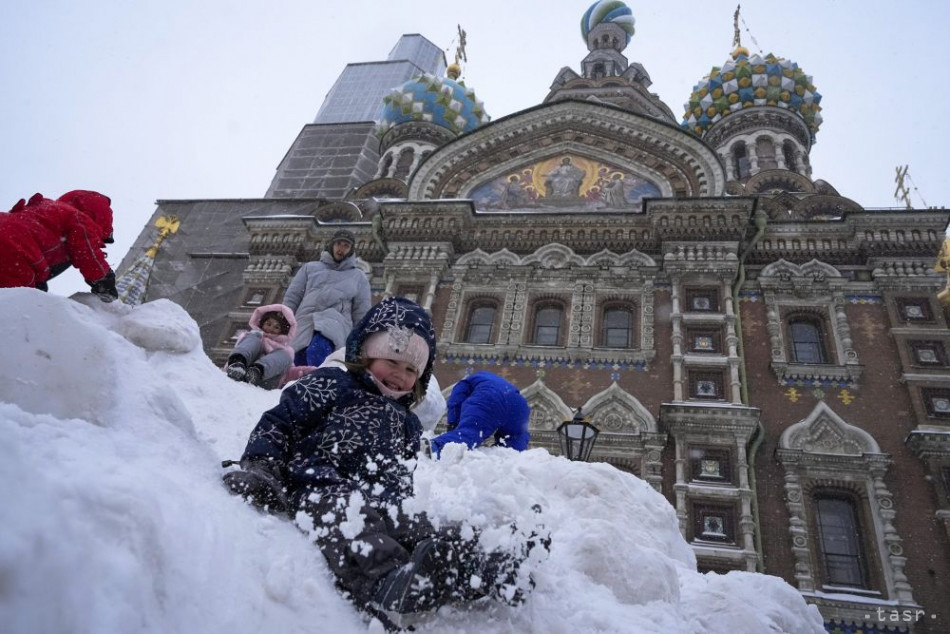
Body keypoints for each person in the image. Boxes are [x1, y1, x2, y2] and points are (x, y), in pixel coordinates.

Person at [222, 297, 544, 620]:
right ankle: (386, 580)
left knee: (423, 525)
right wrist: (262, 467)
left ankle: (481, 563)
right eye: (392, 361)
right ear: (366, 354)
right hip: (322, 485)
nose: (400, 375)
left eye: (410, 370)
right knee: (351, 518)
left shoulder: (407, 422)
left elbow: (401, 474)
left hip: (385, 502)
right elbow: (281, 421)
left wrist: (406, 514)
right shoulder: (333, 383)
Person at [0, 190, 118, 301]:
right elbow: (87, 252)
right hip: (14, 251)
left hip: (6, 232)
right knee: (18, 307)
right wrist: (104, 279)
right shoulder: (78, 219)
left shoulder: (46, 209)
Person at [282, 229, 371, 367]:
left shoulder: (358, 277)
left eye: (346, 246)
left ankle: (319, 384)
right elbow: (293, 296)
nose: (341, 249)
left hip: (335, 322)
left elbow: (361, 311)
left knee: (317, 352)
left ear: (351, 250)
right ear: (331, 245)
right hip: (305, 320)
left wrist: (359, 339)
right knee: (297, 361)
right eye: (338, 244)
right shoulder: (310, 268)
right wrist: (284, 320)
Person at [430, 371, 531, 458]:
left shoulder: (466, 382)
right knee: (515, 442)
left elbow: (455, 401)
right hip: (519, 404)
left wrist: (453, 423)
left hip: (490, 397)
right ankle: (511, 467)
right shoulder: (488, 379)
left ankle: (432, 448)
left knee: (470, 432)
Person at [224, 304, 296, 389]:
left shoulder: (285, 350)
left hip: (264, 381)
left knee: (285, 355)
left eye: (276, 327)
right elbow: (245, 347)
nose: (270, 329)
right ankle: (237, 363)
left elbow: (288, 371)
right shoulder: (253, 337)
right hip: (244, 367)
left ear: (282, 331)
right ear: (262, 323)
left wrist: (306, 372)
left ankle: (256, 372)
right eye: (268, 324)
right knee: (254, 338)